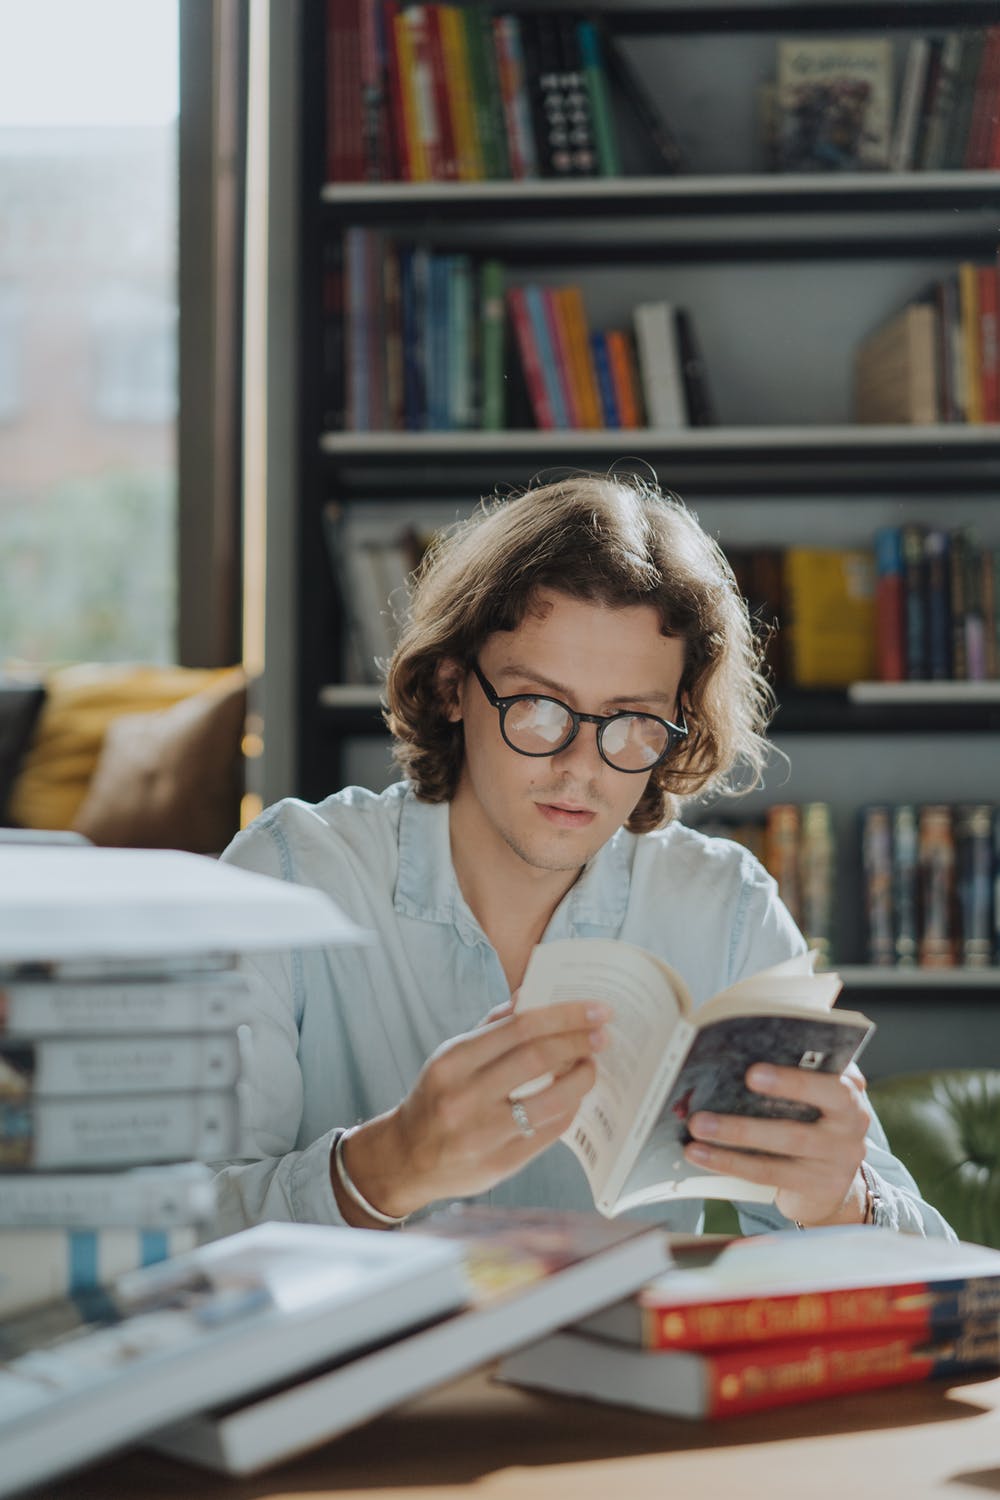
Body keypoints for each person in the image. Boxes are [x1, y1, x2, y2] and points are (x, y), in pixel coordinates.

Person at [215, 474, 953, 1240]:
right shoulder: (287, 878)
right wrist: (380, 1169)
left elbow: (932, 1266)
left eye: (631, 720)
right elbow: (170, 1238)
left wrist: (843, 1201)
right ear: (451, 685)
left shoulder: (724, 908)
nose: (581, 767)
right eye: (539, 707)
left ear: (679, 720)